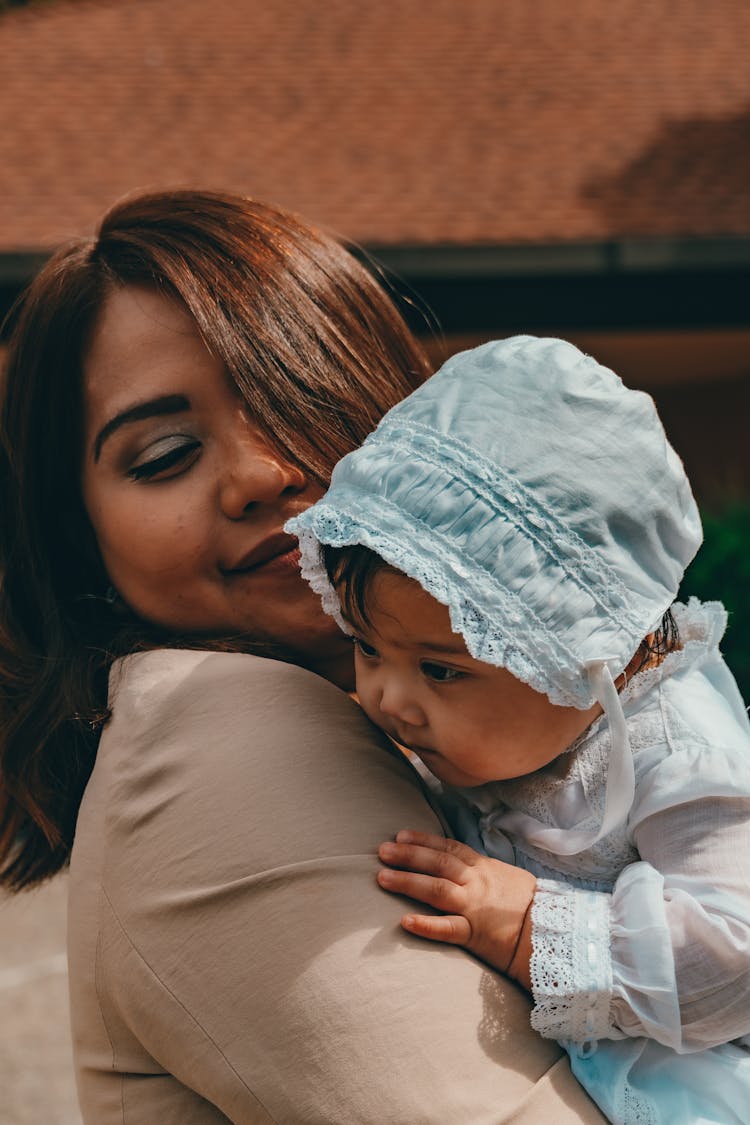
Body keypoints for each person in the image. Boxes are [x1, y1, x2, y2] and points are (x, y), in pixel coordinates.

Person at [0, 193, 607, 1123]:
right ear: (80, 540)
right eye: (162, 454)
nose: (257, 473)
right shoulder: (220, 730)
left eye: (294, 396)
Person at [288, 335, 750, 1125]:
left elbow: (733, 955)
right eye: (366, 646)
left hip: (687, 1078)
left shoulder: (672, 744)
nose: (389, 698)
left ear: (590, 652)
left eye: (441, 669)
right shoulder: (499, 727)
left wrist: (529, 922)